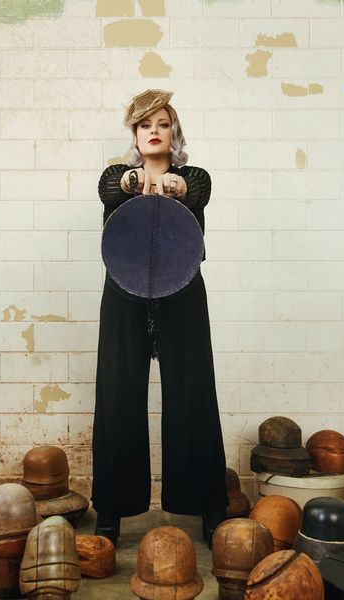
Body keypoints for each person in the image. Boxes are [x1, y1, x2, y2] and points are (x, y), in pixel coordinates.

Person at [91, 89, 228, 549]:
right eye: (145, 125)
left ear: (174, 133)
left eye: (163, 124)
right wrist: (137, 182)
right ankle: (111, 510)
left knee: (194, 395)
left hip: (182, 294)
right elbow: (112, 188)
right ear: (134, 135)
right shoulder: (115, 177)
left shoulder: (195, 178)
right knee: (117, 398)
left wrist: (173, 187)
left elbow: (196, 191)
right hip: (124, 294)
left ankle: (209, 506)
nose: (154, 131)